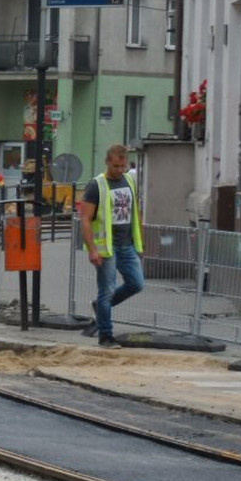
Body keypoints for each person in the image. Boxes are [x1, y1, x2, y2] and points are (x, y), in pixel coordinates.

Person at [80, 143, 144, 349]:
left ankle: (100, 307)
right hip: (105, 247)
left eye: (123, 166)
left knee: (136, 283)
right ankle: (106, 335)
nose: (120, 170)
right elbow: (86, 219)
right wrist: (92, 249)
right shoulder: (96, 185)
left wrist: (139, 242)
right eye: (116, 166)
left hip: (127, 245)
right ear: (108, 162)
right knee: (106, 290)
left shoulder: (129, 181)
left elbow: (135, 211)